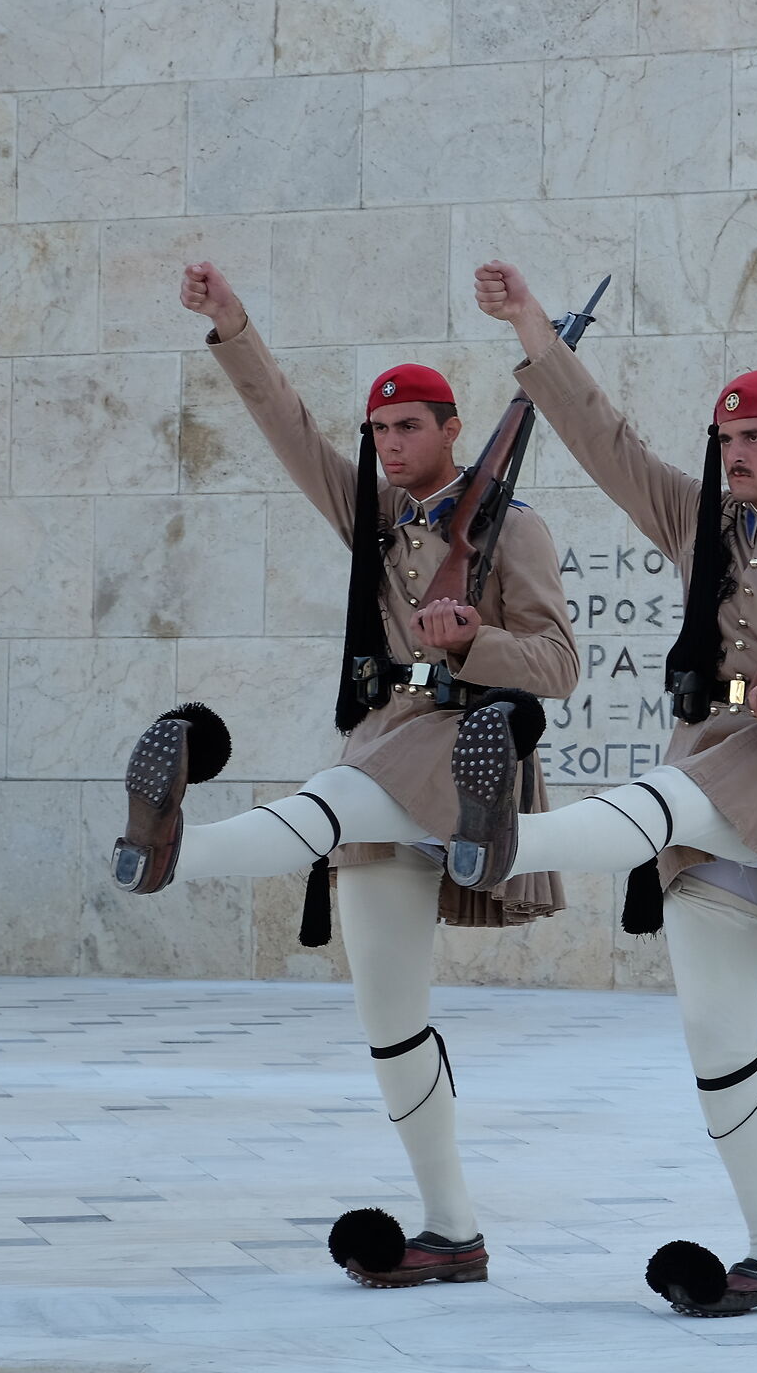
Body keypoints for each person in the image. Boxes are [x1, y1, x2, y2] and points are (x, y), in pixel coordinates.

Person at [448, 259, 757, 1317]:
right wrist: (532, 327)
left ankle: (503, 839)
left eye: (756, 437)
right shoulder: (704, 525)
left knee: (658, 800)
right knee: (716, 1036)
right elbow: (608, 444)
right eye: (726, 438)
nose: (736, 452)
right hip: (715, 764)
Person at [110, 262, 579, 1287]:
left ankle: (175, 847)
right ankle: (452, 1231)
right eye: (377, 432)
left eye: (407, 427)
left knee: (322, 804)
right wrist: (235, 324)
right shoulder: (371, 515)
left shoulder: (515, 524)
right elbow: (288, 430)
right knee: (389, 1016)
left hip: (462, 753)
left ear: (453, 428)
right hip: (380, 743)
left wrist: (476, 641)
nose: (387, 445)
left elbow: (559, 665)